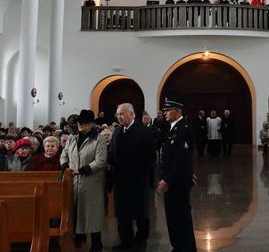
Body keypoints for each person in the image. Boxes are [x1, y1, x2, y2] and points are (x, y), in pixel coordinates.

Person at [109, 103, 155, 252]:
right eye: (118, 114)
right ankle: (126, 241)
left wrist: (139, 172)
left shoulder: (143, 132)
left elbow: (150, 157)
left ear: (132, 114)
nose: (119, 117)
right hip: (120, 181)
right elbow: (112, 152)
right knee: (122, 214)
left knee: (140, 213)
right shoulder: (117, 132)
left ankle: (141, 241)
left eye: (122, 114)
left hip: (137, 180)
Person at [61, 110, 107, 252]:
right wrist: (64, 165)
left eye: (84, 123)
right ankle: (79, 239)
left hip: (91, 181)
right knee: (76, 211)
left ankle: (96, 244)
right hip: (73, 181)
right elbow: (64, 154)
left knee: (92, 214)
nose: (80, 125)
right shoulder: (72, 137)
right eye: (79, 122)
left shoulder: (98, 139)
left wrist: (83, 170)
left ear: (91, 124)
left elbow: (100, 161)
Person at [156, 101, 197, 252]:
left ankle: (185, 247)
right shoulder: (174, 128)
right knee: (173, 216)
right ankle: (178, 245)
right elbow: (171, 157)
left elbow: (181, 159)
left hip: (176, 182)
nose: (164, 113)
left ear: (177, 111)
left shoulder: (183, 129)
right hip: (175, 180)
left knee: (180, 216)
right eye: (164, 111)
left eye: (167, 110)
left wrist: (166, 180)